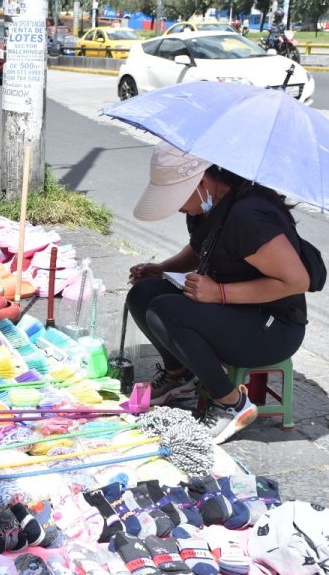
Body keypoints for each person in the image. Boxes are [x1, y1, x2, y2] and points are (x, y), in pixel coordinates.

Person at [125, 143, 310, 444]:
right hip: (234, 311)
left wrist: (219, 293)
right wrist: (160, 269)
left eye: (178, 199)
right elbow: (201, 248)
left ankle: (231, 403)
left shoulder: (249, 215)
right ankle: (179, 374)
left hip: (272, 328)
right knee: (143, 293)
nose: (178, 208)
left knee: (166, 311)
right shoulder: (207, 206)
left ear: (201, 182)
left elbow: (296, 281)